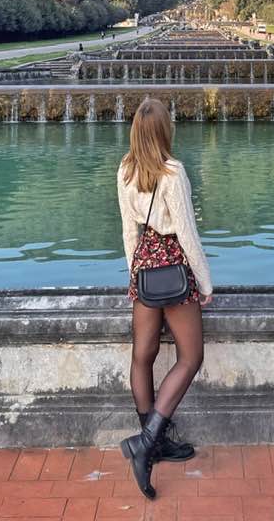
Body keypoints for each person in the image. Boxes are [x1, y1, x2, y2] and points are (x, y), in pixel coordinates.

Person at [117, 98, 213, 500]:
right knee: (191, 357)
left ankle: (152, 442)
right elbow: (187, 234)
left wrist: (133, 277)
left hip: (144, 266)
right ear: (164, 131)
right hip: (173, 265)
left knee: (144, 354)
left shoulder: (124, 169)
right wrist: (205, 283)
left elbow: (128, 232)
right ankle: (147, 442)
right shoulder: (173, 172)